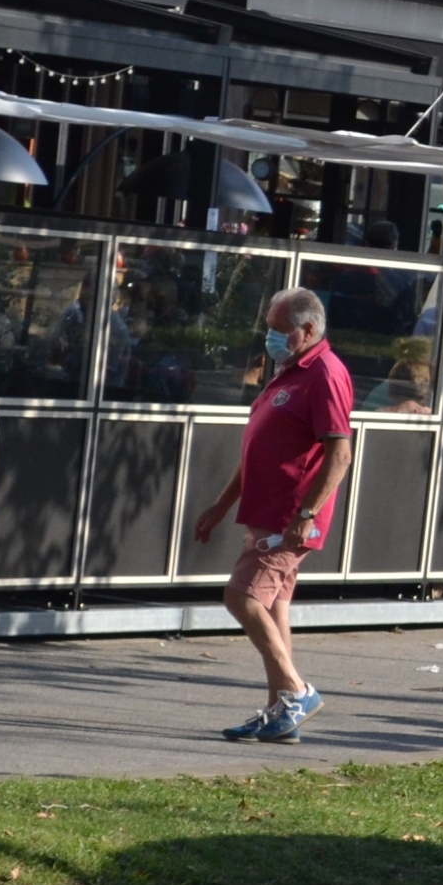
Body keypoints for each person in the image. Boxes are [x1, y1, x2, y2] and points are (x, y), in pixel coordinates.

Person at [191, 288, 354, 743]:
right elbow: (259, 449)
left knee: (241, 597)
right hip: (267, 513)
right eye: (269, 327)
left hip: (289, 516)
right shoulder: (289, 372)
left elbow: (340, 454)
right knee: (274, 607)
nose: (271, 337)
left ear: (307, 330)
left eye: (280, 330)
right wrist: (221, 507)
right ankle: (281, 712)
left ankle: (296, 691)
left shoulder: (324, 373)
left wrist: (306, 513)